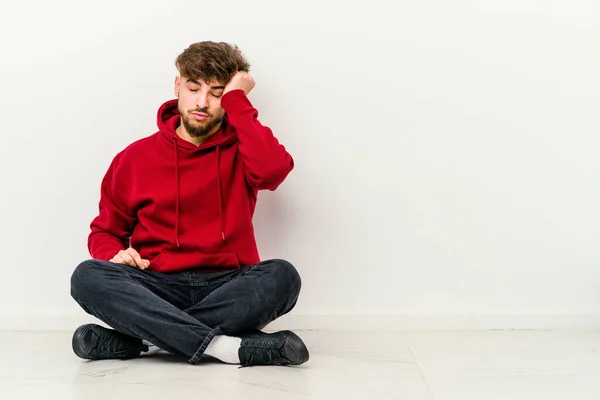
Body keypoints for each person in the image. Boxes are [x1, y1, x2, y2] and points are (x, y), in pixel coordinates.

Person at [69, 41, 309, 367]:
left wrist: (238, 102)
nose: (202, 102)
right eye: (194, 88)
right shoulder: (133, 158)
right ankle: (226, 348)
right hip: (155, 284)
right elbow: (104, 232)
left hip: (227, 284)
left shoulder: (244, 148)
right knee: (87, 276)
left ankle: (144, 339)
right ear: (177, 86)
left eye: (217, 93)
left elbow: (273, 171)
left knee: (283, 277)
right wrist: (114, 253)